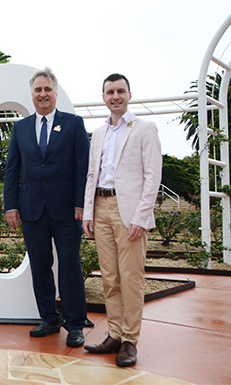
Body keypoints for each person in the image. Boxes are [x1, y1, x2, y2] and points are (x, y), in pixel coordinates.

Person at [4, 67, 90, 347]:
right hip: (31, 210)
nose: (43, 94)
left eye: (47, 89)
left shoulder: (74, 125)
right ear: (32, 94)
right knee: (40, 266)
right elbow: (12, 170)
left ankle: (75, 324)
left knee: (70, 266)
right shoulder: (20, 128)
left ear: (56, 93)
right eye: (38, 89)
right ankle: (49, 318)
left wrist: (81, 204)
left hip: (67, 211)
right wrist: (11, 206)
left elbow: (83, 168)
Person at [82, 73, 162, 367]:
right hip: (101, 207)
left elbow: (152, 175)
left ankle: (130, 340)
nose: (115, 96)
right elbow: (93, 174)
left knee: (130, 278)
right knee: (110, 277)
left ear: (129, 94)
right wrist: (88, 213)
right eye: (109, 92)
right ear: (103, 97)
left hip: (129, 212)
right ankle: (114, 334)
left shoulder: (145, 128)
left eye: (120, 91)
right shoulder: (99, 133)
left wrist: (142, 216)